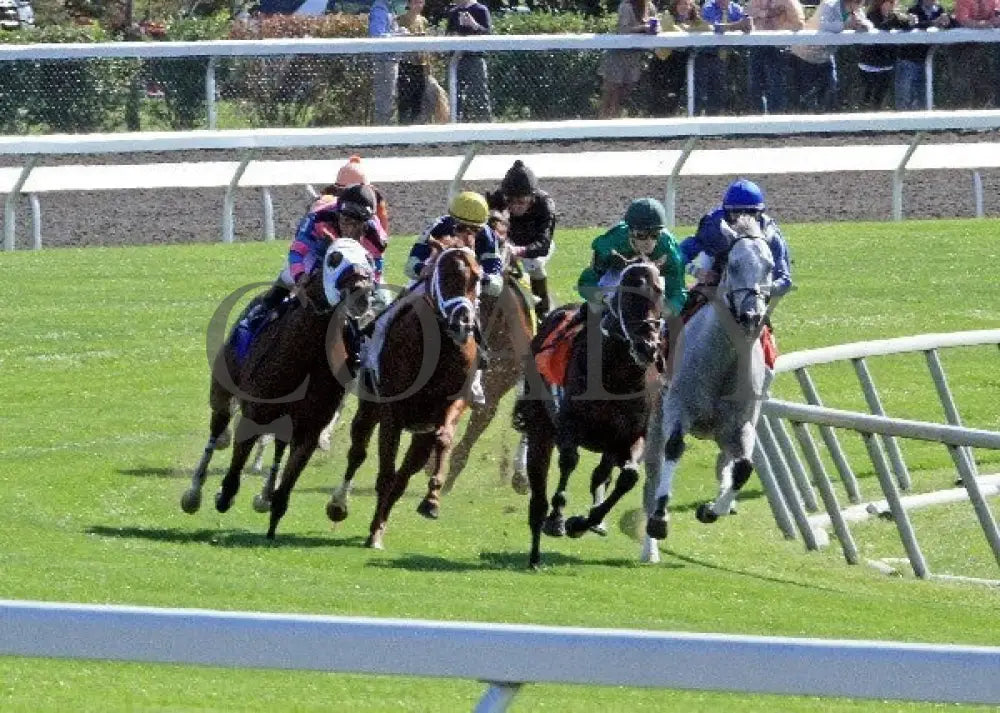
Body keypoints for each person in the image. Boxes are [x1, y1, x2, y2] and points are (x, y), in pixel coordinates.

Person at [365, 191, 502, 404]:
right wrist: (426, 268)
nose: (467, 235)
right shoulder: (438, 225)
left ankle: (474, 380)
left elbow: (496, 282)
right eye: (460, 228)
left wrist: (478, 275)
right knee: (382, 321)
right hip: (429, 285)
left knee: (477, 332)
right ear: (452, 221)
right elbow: (410, 265)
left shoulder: (489, 237)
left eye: (474, 230)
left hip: (464, 291)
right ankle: (371, 367)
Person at [677, 179, 792, 367]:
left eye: (750, 213)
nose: (742, 219)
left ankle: (767, 370)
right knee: (683, 311)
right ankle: (667, 352)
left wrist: (760, 289)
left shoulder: (771, 235)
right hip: (717, 273)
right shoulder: (714, 225)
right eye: (736, 213)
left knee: (763, 336)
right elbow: (680, 253)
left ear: (760, 214)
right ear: (726, 212)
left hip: (753, 287)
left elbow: (785, 279)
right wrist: (698, 272)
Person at [242, 184, 381, 330]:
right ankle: (261, 312)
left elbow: (376, 269)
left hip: (355, 257)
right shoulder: (319, 218)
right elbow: (296, 252)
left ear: (367, 223)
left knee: (382, 299)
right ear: (338, 215)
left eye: (357, 224)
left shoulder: (376, 236)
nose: (350, 230)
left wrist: (373, 290)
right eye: (346, 221)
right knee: (289, 275)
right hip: (317, 249)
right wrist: (300, 276)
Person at [577, 197, 687, 318]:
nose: (648, 242)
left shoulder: (669, 249)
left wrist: (664, 313)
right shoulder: (609, 245)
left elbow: (678, 292)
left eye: (655, 235)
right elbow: (586, 283)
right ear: (629, 232)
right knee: (596, 311)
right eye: (641, 235)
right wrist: (605, 300)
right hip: (613, 281)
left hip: (653, 282)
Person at [486, 160, 557, 324]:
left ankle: (543, 312)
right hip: (507, 241)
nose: (515, 207)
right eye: (511, 201)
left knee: (534, 265)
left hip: (534, 247)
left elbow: (544, 244)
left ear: (532, 198)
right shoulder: (500, 197)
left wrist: (519, 251)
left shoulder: (545, 205)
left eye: (521, 202)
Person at [789, 0, 872, 112]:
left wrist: (863, 25)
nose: (861, 5)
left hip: (826, 56)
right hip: (805, 54)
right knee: (807, 95)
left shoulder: (856, 10)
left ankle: (825, 123)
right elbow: (823, 25)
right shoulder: (829, 5)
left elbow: (868, 24)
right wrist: (846, 25)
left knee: (830, 89)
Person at [648, 0, 711, 117]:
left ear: (692, 7)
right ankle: (654, 130)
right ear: (675, 5)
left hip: (680, 62)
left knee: (674, 95)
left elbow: (708, 28)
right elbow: (671, 29)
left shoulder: (695, 20)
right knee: (659, 96)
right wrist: (689, 31)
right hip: (662, 61)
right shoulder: (667, 15)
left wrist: (689, 28)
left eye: (687, 4)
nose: (684, 7)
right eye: (680, 4)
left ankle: (670, 128)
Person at [598, 0, 659, 118]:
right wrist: (643, 28)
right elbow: (623, 30)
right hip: (618, 56)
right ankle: (602, 125)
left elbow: (655, 24)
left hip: (634, 57)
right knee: (611, 93)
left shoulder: (649, 6)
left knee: (623, 94)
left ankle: (615, 123)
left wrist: (655, 28)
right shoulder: (626, 6)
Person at [746, 0, 804, 113]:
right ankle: (758, 125)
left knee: (776, 89)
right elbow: (747, 11)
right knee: (755, 89)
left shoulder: (789, 2)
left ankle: (776, 124)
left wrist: (777, 29)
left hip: (777, 49)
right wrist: (766, 13)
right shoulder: (756, 1)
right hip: (757, 47)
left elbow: (799, 24)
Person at [698, 0, 753, 115]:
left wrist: (746, 24)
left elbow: (747, 26)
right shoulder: (708, 7)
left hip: (729, 57)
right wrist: (737, 26)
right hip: (707, 55)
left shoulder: (736, 8)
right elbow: (714, 27)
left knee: (722, 93)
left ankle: (719, 122)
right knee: (702, 93)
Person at [858, 0, 913, 110]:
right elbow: (879, 28)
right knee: (866, 99)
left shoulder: (895, 17)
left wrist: (910, 21)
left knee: (880, 99)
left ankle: (877, 124)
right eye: (890, 2)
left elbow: (907, 26)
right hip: (869, 66)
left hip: (886, 65)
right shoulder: (871, 16)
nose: (893, 5)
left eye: (894, 2)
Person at [895, 0, 951, 110]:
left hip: (927, 61)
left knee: (924, 97)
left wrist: (948, 21)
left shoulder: (940, 11)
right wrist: (934, 22)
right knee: (904, 97)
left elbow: (950, 26)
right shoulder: (913, 10)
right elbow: (913, 26)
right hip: (908, 60)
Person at [446, 0, 493, 122]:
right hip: (456, 59)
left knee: (479, 93)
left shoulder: (481, 10)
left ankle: (484, 125)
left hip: (475, 58)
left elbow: (488, 34)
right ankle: (456, 123)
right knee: (456, 94)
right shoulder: (454, 12)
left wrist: (474, 25)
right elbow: (448, 34)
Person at [397, 0, 430, 124]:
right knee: (405, 98)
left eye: (421, 3)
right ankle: (403, 126)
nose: (418, 6)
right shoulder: (400, 20)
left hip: (421, 64)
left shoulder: (423, 21)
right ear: (409, 4)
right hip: (406, 63)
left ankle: (416, 126)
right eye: (415, 3)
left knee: (419, 97)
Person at [369, 0, 401, 125]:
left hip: (390, 59)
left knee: (388, 97)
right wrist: (398, 35)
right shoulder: (379, 9)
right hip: (384, 62)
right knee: (386, 97)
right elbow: (377, 36)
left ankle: (385, 129)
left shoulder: (389, 8)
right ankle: (384, 130)